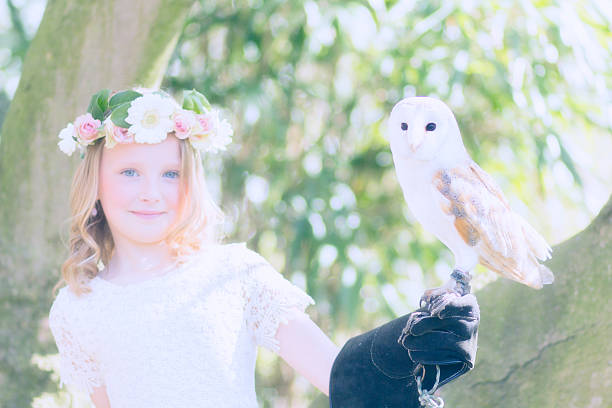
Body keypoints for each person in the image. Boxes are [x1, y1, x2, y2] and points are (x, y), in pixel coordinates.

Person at [49, 87, 479, 408]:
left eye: (169, 174)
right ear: (95, 182)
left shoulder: (233, 274)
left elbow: (340, 378)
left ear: (191, 183)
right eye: (128, 172)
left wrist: (402, 355)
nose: (150, 193)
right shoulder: (78, 308)